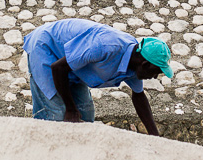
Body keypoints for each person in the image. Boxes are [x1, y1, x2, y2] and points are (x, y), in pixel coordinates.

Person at [22, 18, 174, 136]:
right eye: (156, 72)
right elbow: (58, 68)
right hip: (47, 49)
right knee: (56, 115)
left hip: (72, 65)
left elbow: (139, 98)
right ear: (145, 64)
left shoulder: (134, 65)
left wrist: (155, 137)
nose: (154, 77)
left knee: (85, 113)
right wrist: (70, 108)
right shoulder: (105, 46)